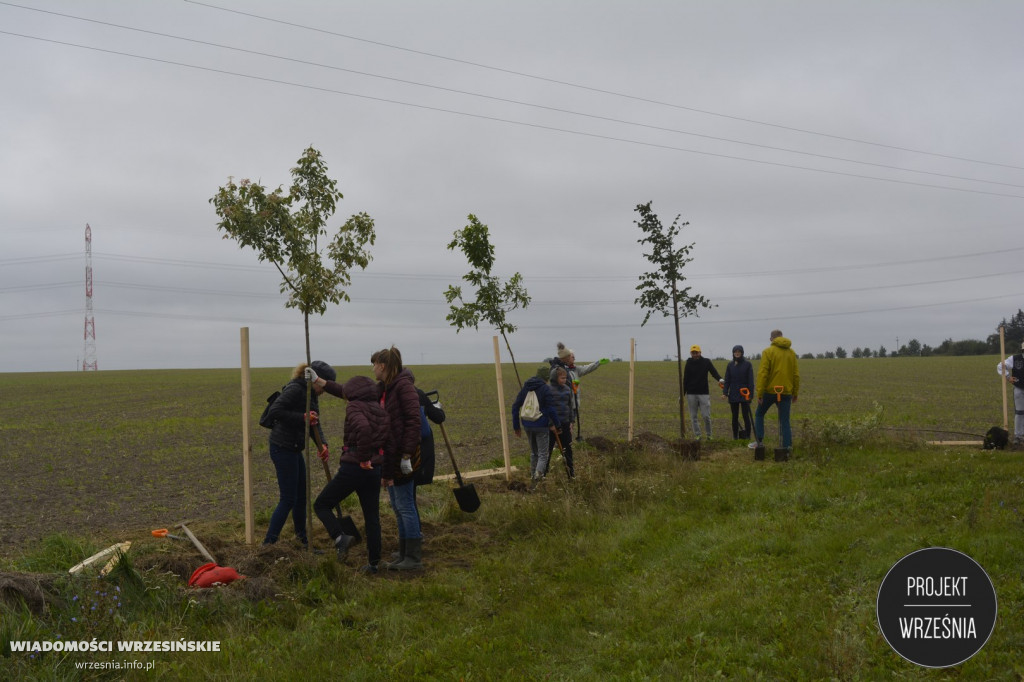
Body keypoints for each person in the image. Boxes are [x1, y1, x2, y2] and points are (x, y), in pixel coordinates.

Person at [306, 372, 389, 572]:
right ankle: (374, 563)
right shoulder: (377, 407)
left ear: (353, 394)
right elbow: (340, 390)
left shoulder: (354, 406)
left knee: (322, 505)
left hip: (355, 468)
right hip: (374, 469)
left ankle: (340, 537)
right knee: (372, 517)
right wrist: (318, 380)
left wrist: (362, 459)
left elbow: (363, 429)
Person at [262, 360, 334, 547]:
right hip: (282, 447)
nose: (324, 391)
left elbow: (314, 423)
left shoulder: (312, 394)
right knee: (288, 499)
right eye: (324, 385)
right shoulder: (295, 389)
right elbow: (276, 411)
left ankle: (302, 542)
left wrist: (322, 445)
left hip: (294, 448)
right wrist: (302, 417)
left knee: (301, 497)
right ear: (315, 379)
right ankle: (268, 545)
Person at [372, 347, 426, 571]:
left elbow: (414, 421)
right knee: (397, 504)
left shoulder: (403, 387)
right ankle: (404, 551)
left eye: (374, 364)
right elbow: (354, 392)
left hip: (402, 456)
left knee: (405, 505)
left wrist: (406, 454)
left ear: (382, 366)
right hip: (391, 456)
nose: (373, 369)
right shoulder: (387, 387)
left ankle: (413, 558)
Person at [752, 330, 800, 456]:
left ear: (771, 339)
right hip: (785, 392)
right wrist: (795, 392)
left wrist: (760, 393)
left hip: (769, 391)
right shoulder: (791, 353)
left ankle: (759, 442)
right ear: (782, 337)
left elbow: (763, 373)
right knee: (785, 420)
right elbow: (795, 374)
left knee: (759, 414)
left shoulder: (768, 352)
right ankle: (787, 447)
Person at [548, 342, 609, 439]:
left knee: (570, 424)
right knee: (562, 423)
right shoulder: (558, 370)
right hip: (563, 402)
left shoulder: (575, 369)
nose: (574, 359)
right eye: (572, 357)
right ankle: (561, 442)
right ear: (566, 358)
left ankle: (567, 441)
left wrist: (598, 363)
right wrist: (571, 384)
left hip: (573, 402)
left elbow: (586, 368)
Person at [512, 365, 560, 481]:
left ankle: (532, 477)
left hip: (527, 425)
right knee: (543, 455)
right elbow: (551, 409)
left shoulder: (526, 387)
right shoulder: (545, 389)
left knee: (534, 453)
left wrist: (516, 426)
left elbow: (515, 406)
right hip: (541, 426)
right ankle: (537, 480)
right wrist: (557, 425)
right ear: (546, 377)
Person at [683, 345, 724, 440]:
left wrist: (720, 379)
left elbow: (714, 372)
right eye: (693, 353)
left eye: (696, 352)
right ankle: (698, 435)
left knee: (706, 416)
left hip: (703, 393)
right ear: (691, 353)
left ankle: (709, 435)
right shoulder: (688, 363)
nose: (695, 355)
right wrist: (682, 393)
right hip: (691, 394)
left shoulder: (706, 362)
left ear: (700, 352)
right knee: (693, 417)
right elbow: (685, 379)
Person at [547, 365, 576, 478]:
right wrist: (551, 424)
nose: (564, 380)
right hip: (552, 426)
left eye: (565, 378)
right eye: (562, 378)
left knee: (567, 450)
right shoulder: (548, 390)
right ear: (555, 378)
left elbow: (570, 406)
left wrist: (571, 422)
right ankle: (543, 474)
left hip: (565, 424)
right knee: (548, 451)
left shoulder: (568, 389)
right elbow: (546, 408)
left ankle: (571, 474)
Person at [722, 345, 755, 441]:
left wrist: (750, 396)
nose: (737, 353)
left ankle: (748, 436)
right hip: (733, 393)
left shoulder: (747, 365)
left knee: (746, 415)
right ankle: (735, 436)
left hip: (745, 393)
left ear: (742, 353)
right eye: (735, 352)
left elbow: (751, 381)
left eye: (739, 352)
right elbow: (727, 380)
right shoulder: (730, 365)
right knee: (734, 416)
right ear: (733, 353)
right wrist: (725, 392)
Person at [996, 341, 1024, 446]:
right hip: (1019, 389)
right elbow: (1000, 366)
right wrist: (1008, 377)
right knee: (1020, 413)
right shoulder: (1015, 359)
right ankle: (1018, 436)